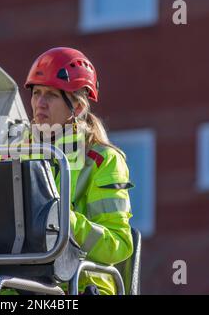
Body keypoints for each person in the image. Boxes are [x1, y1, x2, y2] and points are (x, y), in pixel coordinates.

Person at [22, 47, 134, 295]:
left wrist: (63, 221)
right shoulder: (11, 153)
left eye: (50, 95)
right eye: (36, 93)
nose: (39, 104)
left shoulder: (102, 161)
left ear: (79, 108)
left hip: (80, 287)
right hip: (13, 285)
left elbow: (119, 244)